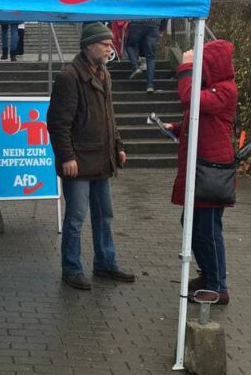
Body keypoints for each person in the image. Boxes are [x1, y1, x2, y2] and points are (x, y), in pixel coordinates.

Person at [46, 22, 134, 291]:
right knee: (76, 218)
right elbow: (58, 123)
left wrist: (118, 145)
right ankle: (72, 269)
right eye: (105, 44)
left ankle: (105, 263)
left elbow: (109, 117)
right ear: (88, 46)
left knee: (104, 215)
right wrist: (67, 157)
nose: (110, 49)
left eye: (110, 44)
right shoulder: (69, 77)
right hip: (79, 162)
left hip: (101, 159)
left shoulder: (104, 74)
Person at [165, 40, 238, 306]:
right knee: (191, 224)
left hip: (211, 171)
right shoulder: (214, 89)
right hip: (202, 168)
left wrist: (185, 67)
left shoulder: (225, 90)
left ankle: (218, 287)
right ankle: (208, 275)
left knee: (208, 229)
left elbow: (190, 100)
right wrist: (177, 128)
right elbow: (199, 117)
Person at [126, 19, 167, 93]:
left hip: (137, 22)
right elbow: (165, 14)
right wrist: (162, 28)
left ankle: (135, 67)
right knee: (151, 56)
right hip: (154, 24)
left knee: (130, 45)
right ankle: (150, 85)